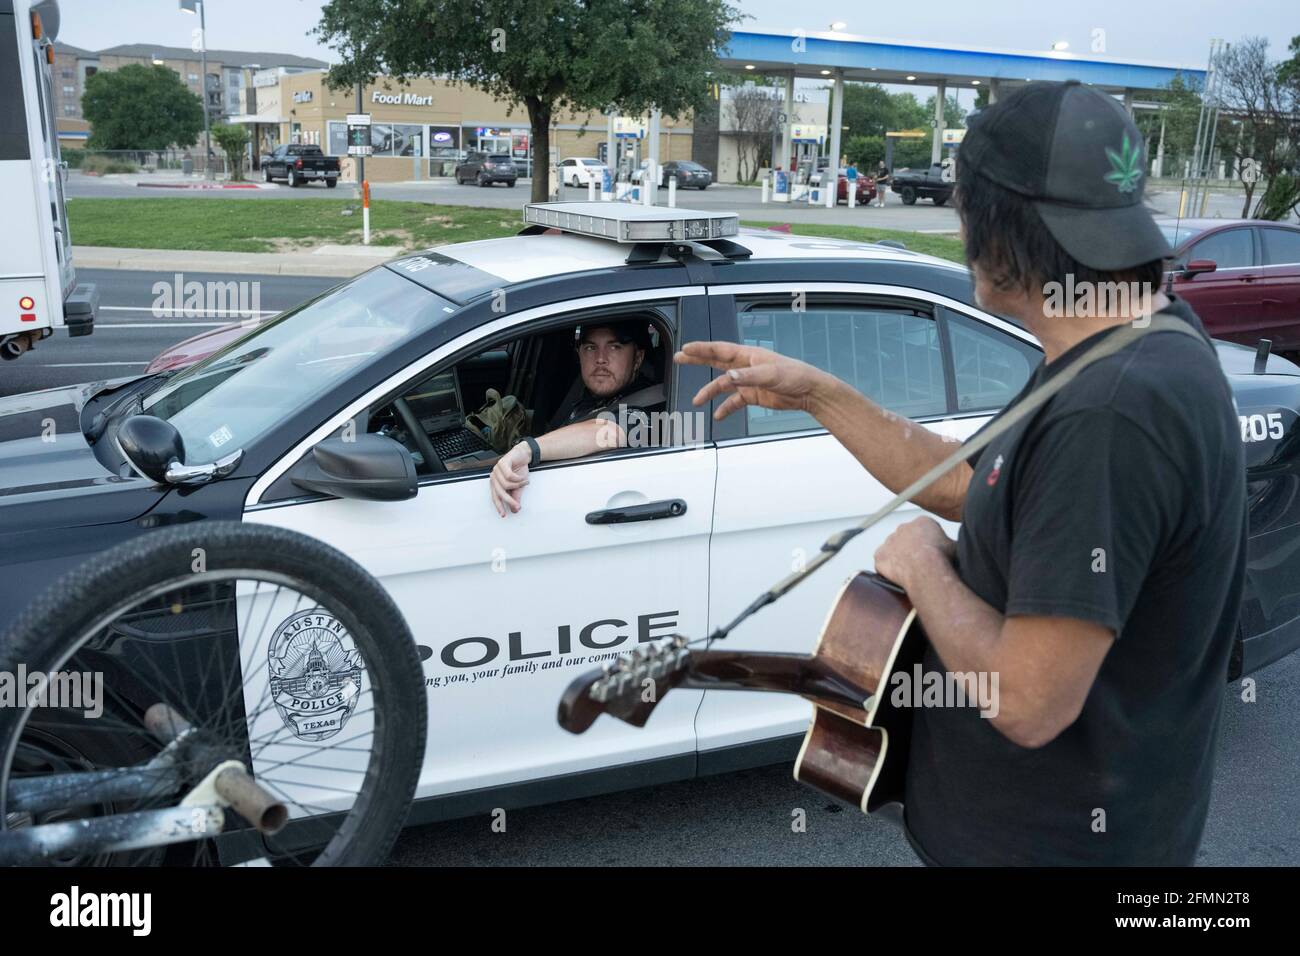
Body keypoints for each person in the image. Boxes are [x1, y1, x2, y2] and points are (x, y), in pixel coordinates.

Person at [675, 80, 1246, 865]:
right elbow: (964, 485)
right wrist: (819, 393)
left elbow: (1030, 700)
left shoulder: (1108, 413)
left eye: (965, 212)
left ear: (1003, 233)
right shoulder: (1124, 342)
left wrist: (923, 565)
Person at [489, 320, 661, 517]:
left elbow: (607, 431)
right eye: (590, 347)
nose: (600, 359)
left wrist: (528, 449)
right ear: (579, 355)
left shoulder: (649, 410)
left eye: (614, 347)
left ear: (638, 358)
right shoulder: (585, 397)